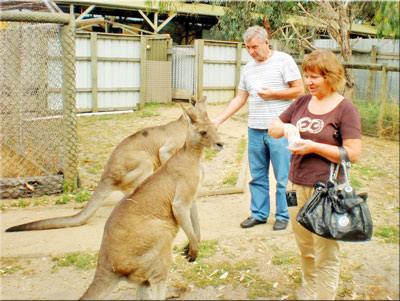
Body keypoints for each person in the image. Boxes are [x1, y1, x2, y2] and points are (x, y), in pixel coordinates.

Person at [269, 49, 362, 300]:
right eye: (306, 75)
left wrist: (313, 147)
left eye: (315, 77)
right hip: (293, 186)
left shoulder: (345, 109)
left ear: (330, 77)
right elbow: (273, 128)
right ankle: (309, 292)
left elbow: (352, 153)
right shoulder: (300, 102)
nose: (308, 82)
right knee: (305, 247)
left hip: (326, 192)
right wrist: (288, 129)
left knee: (326, 251)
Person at [212, 25, 304, 231]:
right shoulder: (248, 68)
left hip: (280, 129)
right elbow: (240, 97)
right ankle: (259, 214)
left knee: (284, 177)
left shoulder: (284, 60)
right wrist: (219, 120)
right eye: (248, 48)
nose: (251, 52)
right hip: (255, 129)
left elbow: (299, 90)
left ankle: (284, 215)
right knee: (257, 175)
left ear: (266, 42)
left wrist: (273, 95)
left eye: (254, 47)